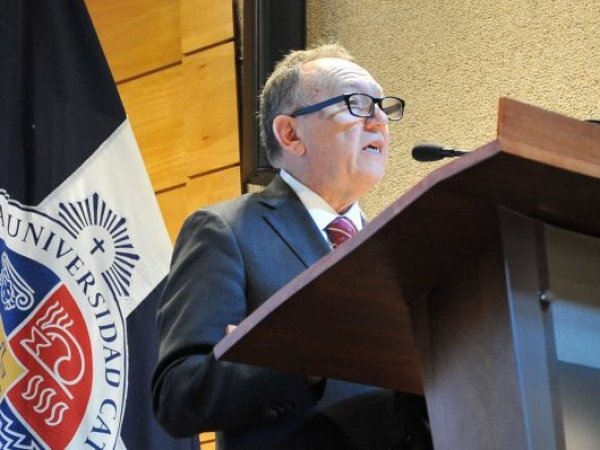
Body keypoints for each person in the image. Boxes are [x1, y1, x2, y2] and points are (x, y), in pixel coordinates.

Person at [152, 44, 431, 449]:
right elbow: (178, 395)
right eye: (356, 104)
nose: (379, 121)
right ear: (290, 133)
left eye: (381, 107)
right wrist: (304, 356)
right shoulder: (227, 231)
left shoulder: (397, 251)